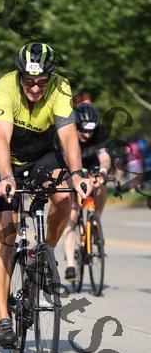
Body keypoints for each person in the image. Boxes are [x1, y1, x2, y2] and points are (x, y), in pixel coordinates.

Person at [0, 42, 92, 347]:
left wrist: (77, 174)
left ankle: (42, 257)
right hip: (6, 159)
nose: (34, 88)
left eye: (41, 82)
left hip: (41, 158)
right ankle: (2, 318)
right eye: (28, 81)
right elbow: (1, 134)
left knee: (64, 197)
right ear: (20, 76)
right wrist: (7, 177)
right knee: (6, 231)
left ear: (50, 77)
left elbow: (68, 134)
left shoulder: (61, 87)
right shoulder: (6, 85)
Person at [63, 103, 112, 282]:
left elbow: (105, 158)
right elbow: (64, 160)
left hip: (92, 170)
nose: (87, 134)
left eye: (91, 130)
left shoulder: (98, 135)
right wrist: (76, 177)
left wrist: (103, 172)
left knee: (102, 188)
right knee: (72, 216)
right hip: (72, 172)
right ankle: (70, 265)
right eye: (83, 130)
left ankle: (95, 220)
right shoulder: (67, 134)